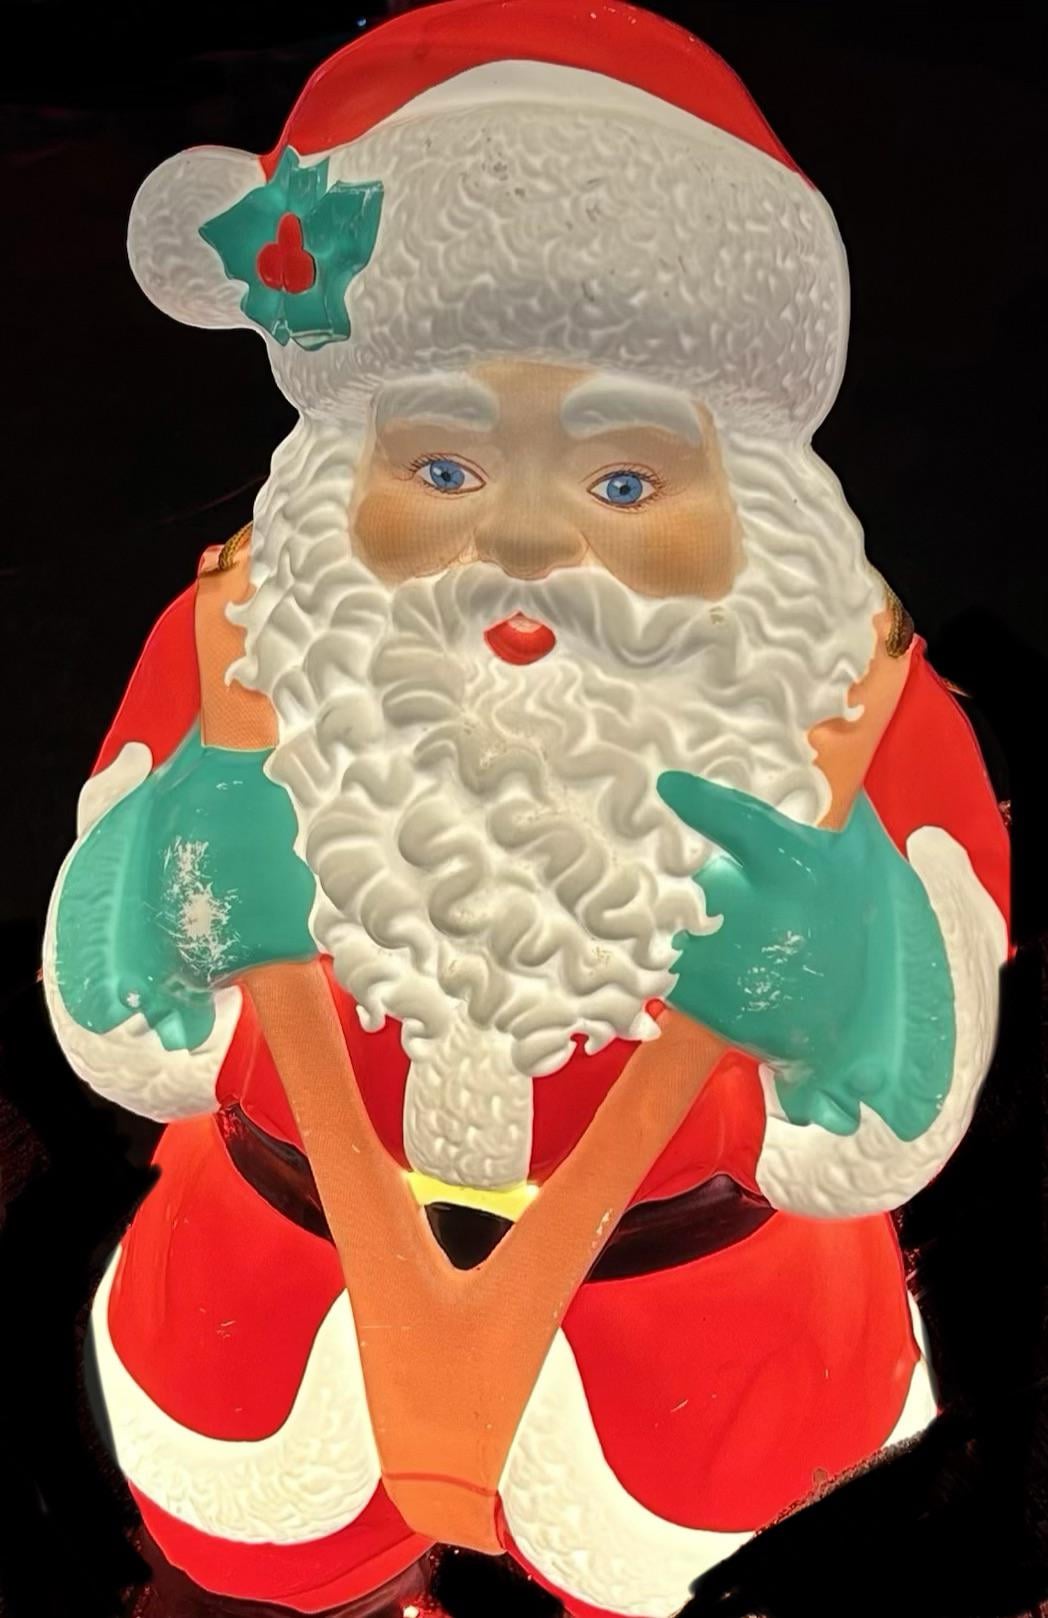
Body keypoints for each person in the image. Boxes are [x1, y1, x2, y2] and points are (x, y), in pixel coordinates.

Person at [42, 4, 1010, 1615]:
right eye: (444, 472)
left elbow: (895, 1111)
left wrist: (859, 994)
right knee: (258, 1567)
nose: (530, 547)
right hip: (270, 1290)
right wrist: (162, 899)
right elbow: (122, 1028)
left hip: (699, 1353)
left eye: (626, 482)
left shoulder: (851, 701)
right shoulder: (238, 642)